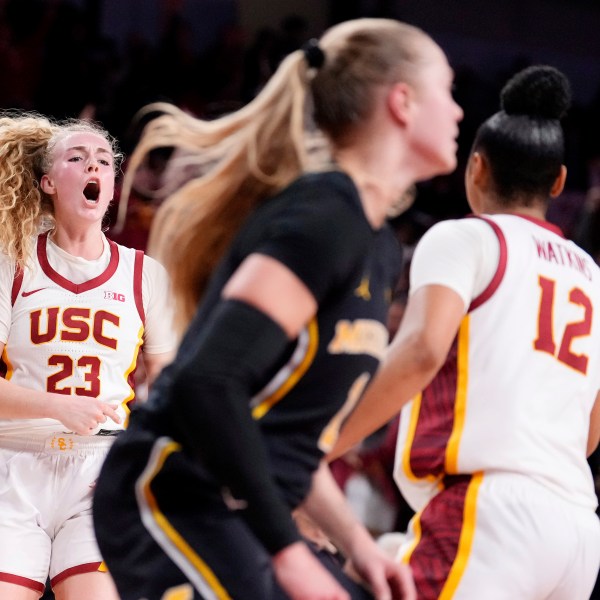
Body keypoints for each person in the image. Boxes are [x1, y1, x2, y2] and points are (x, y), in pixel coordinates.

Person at [92, 17, 462, 600]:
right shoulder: (323, 216)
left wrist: (359, 545)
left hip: (236, 509)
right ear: (403, 102)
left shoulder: (379, 246)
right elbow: (207, 383)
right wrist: (290, 554)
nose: (460, 111)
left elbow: (284, 437)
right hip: (174, 493)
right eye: (448, 89)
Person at [330, 65, 600, 599]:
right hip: (577, 532)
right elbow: (590, 432)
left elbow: (422, 350)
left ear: (475, 168)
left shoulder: (465, 238)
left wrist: (321, 444)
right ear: (559, 182)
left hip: (490, 514)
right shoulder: (591, 275)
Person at [0, 113, 176, 600]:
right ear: (49, 182)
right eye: (77, 158)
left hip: (99, 468)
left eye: (103, 160)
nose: (93, 166)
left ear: (113, 187)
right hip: (13, 463)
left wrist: (148, 459)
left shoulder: (145, 275)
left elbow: (168, 387)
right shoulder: (12, 262)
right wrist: (57, 406)